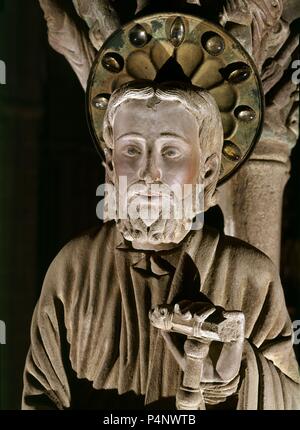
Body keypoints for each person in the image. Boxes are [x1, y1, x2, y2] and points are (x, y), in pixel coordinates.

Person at [22, 82, 300, 410]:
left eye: (170, 151)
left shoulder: (250, 275)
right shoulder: (73, 268)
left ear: (208, 170)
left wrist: (237, 372)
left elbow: (290, 398)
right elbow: (41, 395)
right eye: (132, 150)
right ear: (111, 166)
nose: (150, 172)